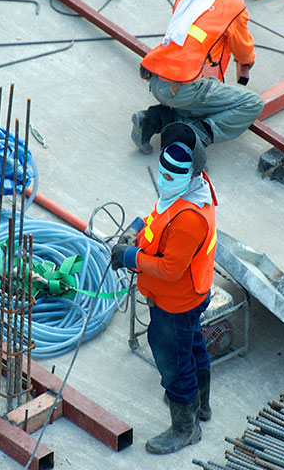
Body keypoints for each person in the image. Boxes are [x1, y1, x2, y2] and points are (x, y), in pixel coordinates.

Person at [111, 123, 217, 454]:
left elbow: (171, 269)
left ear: (192, 172)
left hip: (176, 301)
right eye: (163, 173)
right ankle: (200, 406)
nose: (165, 180)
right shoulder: (189, 190)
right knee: (193, 345)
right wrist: (138, 229)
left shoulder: (189, 218)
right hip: (191, 294)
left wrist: (131, 256)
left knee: (174, 363)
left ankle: (186, 428)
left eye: (173, 176)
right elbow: (160, 218)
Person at [132, 0, 264, 154]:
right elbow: (243, 52)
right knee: (251, 103)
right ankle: (198, 133)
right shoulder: (234, 8)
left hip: (156, 77)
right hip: (183, 87)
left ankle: (152, 120)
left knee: (197, 98)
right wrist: (246, 64)